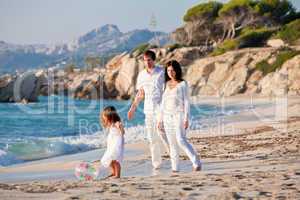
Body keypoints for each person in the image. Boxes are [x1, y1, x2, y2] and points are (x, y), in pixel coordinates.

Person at [127, 50, 169, 170]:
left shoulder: (161, 72)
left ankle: (173, 156)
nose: (147, 62)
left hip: (160, 108)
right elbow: (140, 94)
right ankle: (157, 163)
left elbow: (168, 89)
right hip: (148, 110)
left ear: (154, 60)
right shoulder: (141, 75)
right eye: (145, 60)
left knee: (161, 132)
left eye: (149, 60)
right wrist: (133, 108)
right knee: (151, 138)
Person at [158, 60, 201, 172]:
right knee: (172, 143)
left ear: (177, 70)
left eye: (172, 70)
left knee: (180, 139)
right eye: (168, 70)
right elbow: (163, 103)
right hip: (167, 117)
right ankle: (175, 168)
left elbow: (186, 102)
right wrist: (160, 120)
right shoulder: (166, 85)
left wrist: (186, 118)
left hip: (179, 115)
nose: (170, 72)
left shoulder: (183, 84)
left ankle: (196, 161)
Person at [100, 106, 125, 178]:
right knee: (109, 159)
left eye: (105, 116)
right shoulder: (111, 124)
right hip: (111, 144)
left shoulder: (117, 123)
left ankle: (117, 175)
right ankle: (114, 172)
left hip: (117, 144)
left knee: (115, 160)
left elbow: (123, 132)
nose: (104, 118)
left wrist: (120, 127)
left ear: (110, 116)